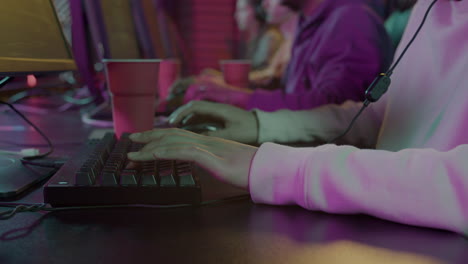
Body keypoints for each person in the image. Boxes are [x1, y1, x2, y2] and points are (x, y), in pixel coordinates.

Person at [127, 0, 468, 234]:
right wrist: (260, 125)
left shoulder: (351, 19)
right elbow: (382, 116)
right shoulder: (431, 8)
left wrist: (282, 166)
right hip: (384, 214)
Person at [181, 0, 393, 111]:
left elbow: (334, 109)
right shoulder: (306, 21)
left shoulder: (351, 20)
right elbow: (295, 92)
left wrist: (236, 97)